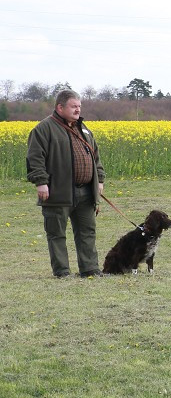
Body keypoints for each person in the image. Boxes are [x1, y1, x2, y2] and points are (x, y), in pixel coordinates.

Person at [26, 90, 107, 277]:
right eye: (73, 106)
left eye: (79, 106)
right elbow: (34, 158)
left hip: (86, 192)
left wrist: (99, 180)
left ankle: (90, 269)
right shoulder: (43, 129)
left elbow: (96, 157)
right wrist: (41, 182)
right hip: (58, 192)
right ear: (60, 107)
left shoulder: (84, 129)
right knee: (57, 234)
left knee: (87, 232)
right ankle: (62, 271)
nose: (78, 110)